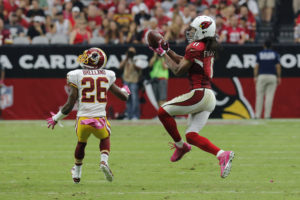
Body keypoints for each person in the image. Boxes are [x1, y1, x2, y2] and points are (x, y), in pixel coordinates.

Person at [148, 15, 234, 178]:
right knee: (192, 135)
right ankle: (222, 154)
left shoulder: (195, 47)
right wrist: (168, 51)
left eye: (194, 30)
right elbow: (185, 61)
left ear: (203, 31)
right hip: (209, 97)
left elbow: (178, 70)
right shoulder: (208, 45)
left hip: (200, 93)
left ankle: (181, 146)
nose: (191, 32)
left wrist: (162, 54)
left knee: (162, 112)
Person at [46, 47, 131, 183]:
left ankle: (77, 172)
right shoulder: (107, 75)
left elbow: (70, 104)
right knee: (105, 137)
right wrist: (126, 90)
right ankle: (103, 161)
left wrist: (56, 118)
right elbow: (123, 97)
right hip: (100, 120)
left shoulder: (76, 74)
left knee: (81, 143)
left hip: (83, 120)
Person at [254, 40, 281, 119]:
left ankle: (257, 115)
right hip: (272, 76)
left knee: (259, 96)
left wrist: (255, 76)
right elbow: (278, 66)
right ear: (271, 46)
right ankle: (267, 115)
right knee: (269, 96)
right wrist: (279, 76)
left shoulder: (260, 54)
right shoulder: (275, 54)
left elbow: (256, 66)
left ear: (264, 46)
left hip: (261, 76)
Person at [119, 47, 141, 120]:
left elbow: (139, 68)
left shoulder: (137, 60)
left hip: (134, 81)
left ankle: (135, 116)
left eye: (132, 52)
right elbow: (120, 67)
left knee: (135, 99)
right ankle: (129, 115)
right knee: (127, 98)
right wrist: (126, 58)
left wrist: (133, 60)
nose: (131, 53)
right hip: (126, 82)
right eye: (130, 52)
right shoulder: (125, 60)